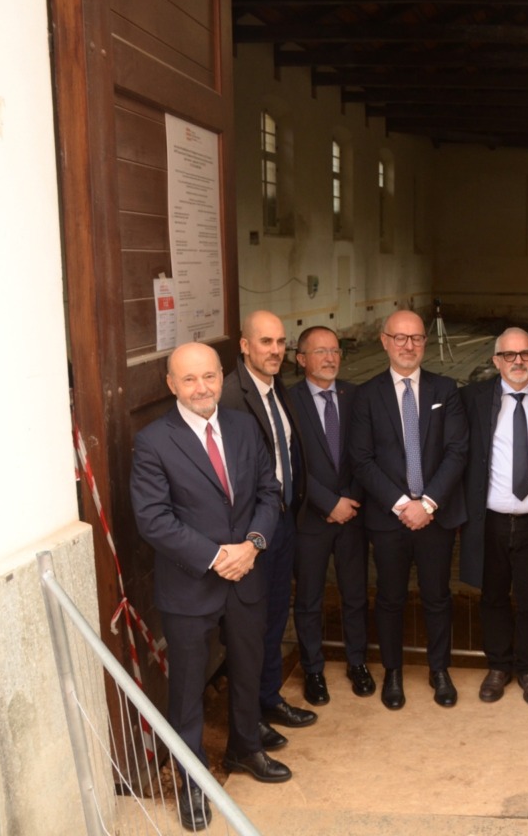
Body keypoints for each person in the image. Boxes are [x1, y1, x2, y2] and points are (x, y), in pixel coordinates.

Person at [130, 343, 289, 830]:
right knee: (187, 690)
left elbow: (270, 490)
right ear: (171, 384)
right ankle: (191, 778)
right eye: (190, 379)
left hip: (247, 575)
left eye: (210, 377)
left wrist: (254, 545)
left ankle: (245, 749)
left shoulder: (243, 426)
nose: (202, 388)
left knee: (248, 668)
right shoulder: (153, 441)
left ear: (222, 377)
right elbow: (153, 519)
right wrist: (218, 556)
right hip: (191, 588)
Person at [349, 309, 468, 709]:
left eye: (416, 338)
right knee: (390, 598)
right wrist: (403, 505)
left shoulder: (445, 389)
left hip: (434, 517)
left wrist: (428, 503)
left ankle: (439, 670)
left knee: (437, 596)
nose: (408, 345)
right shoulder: (366, 395)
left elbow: (456, 450)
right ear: (384, 341)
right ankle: (393, 672)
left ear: (425, 343)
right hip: (389, 519)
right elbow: (362, 459)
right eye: (400, 338)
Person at [219, 310, 318, 748]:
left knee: (276, 617)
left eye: (280, 342)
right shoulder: (229, 396)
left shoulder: (281, 391)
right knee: (249, 628)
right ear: (244, 346)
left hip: (283, 524)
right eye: (265, 342)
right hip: (248, 534)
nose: (276, 350)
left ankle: (268, 696)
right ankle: (247, 719)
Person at [460, 327, 528, 707]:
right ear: (495, 361)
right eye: (509, 355)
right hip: (490, 520)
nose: (518, 361)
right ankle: (498, 666)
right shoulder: (473, 399)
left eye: (525, 354)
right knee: (493, 598)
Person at [287, 326, 374, 705]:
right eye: (320, 351)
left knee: (355, 594)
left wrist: (350, 499)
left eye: (335, 350)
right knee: (308, 599)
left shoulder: (357, 396)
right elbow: (291, 465)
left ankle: (358, 662)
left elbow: (368, 453)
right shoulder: (287, 402)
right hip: (311, 518)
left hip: (353, 515)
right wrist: (328, 502)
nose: (330, 358)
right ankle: (313, 670)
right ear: (301, 359)